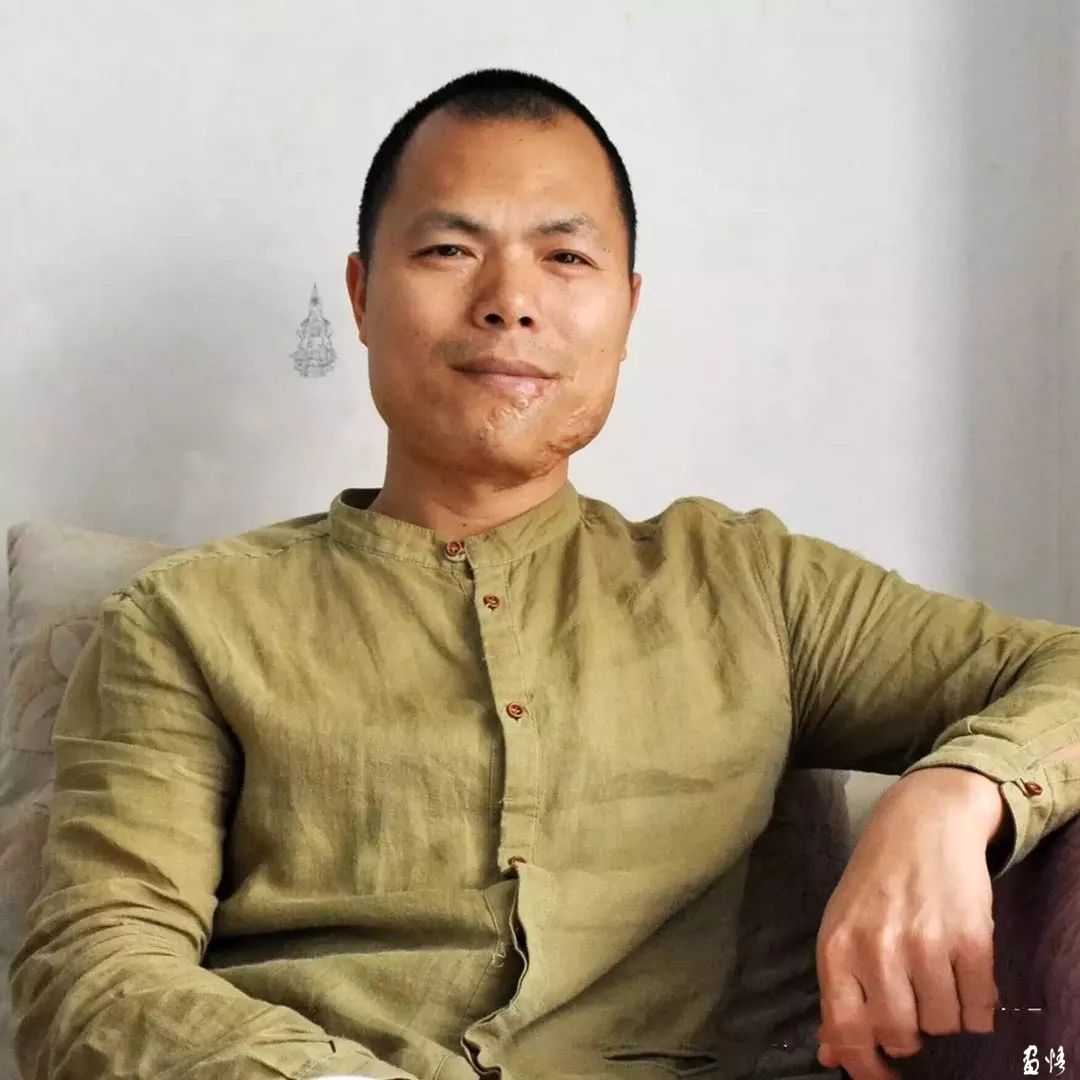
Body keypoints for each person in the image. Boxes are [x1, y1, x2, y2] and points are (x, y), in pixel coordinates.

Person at [9, 66, 1080, 1080]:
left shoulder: (751, 585)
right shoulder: (189, 617)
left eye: (565, 258)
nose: (509, 301)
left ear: (627, 310)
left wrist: (957, 792)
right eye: (448, 250)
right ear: (362, 295)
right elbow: (95, 970)